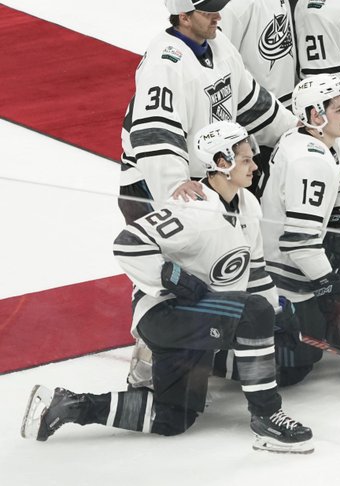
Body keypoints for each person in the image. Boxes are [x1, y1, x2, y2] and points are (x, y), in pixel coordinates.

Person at [23, 122, 312, 453]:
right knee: (253, 312)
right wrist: (173, 278)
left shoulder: (248, 204)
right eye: (245, 160)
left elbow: (256, 271)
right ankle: (267, 416)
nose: (254, 166)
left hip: (201, 314)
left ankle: (68, 405)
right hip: (164, 313)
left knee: (173, 418)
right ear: (221, 162)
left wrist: (277, 310)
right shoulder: (192, 207)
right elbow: (129, 244)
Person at [118, 0, 296, 225]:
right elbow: (155, 134)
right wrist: (174, 186)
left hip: (208, 180)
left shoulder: (218, 43)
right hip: (149, 185)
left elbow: (248, 100)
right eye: (207, 12)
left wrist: (292, 129)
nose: (217, 17)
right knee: (165, 260)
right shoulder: (164, 64)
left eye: (217, 9)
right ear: (184, 18)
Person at [260, 75, 340, 385]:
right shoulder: (308, 161)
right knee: (298, 361)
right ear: (316, 115)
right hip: (282, 273)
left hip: (299, 258)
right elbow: (298, 243)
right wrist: (329, 284)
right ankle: (212, 357)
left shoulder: (330, 144)